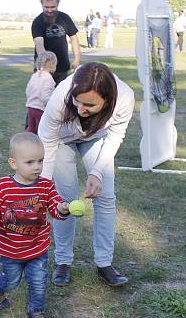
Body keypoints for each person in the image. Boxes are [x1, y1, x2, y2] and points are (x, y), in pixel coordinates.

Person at [38, 62, 135, 287]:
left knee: (106, 196)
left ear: (107, 99)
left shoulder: (125, 97)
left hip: (97, 138)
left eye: (89, 104)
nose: (81, 108)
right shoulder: (61, 96)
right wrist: (42, 188)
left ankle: (104, 264)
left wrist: (97, 173)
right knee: (65, 200)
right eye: (77, 101)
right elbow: (48, 144)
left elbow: (115, 136)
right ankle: (63, 262)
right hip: (61, 140)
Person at [0, 132, 71, 318]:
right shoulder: (3, 187)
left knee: (38, 281)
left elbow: (55, 206)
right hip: (10, 249)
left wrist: (63, 208)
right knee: (11, 280)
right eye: (30, 162)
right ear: (14, 163)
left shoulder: (46, 186)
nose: (37, 167)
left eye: (40, 161)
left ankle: (36, 311)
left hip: (37, 247)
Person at [32, 0, 81, 85]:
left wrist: (77, 59)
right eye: (46, 7)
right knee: (43, 97)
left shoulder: (65, 18)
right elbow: (39, 43)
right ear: (41, 4)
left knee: (61, 97)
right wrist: (46, 65)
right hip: (44, 69)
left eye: (52, 7)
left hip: (62, 68)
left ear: (58, 4)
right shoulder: (37, 22)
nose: (49, 10)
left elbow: (74, 38)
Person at [25, 51, 57, 134]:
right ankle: (40, 145)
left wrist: (30, 100)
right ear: (52, 65)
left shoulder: (35, 75)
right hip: (40, 109)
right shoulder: (49, 79)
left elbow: (28, 91)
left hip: (30, 107)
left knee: (31, 128)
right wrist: (52, 104)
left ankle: (26, 142)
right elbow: (45, 97)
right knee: (42, 130)